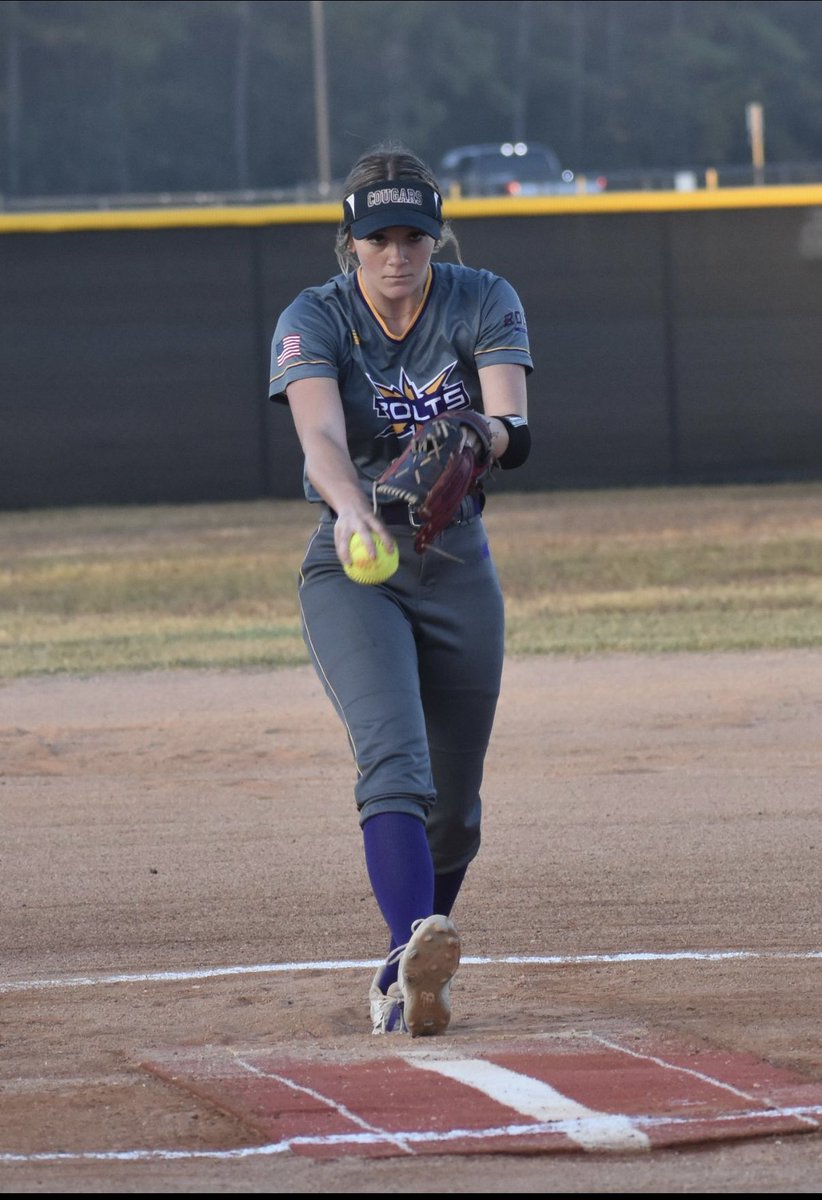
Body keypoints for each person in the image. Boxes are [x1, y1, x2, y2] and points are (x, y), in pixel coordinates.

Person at [269, 142, 533, 1037]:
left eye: (413, 236)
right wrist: (351, 510)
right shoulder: (315, 316)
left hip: (458, 562)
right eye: (378, 237)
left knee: (455, 811)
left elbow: (513, 419)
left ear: (435, 236)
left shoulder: (482, 297)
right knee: (396, 763)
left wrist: (482, 434)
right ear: (351, 240)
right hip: (353, 564)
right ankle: (404, 954)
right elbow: (319, 439)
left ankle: (415, 964)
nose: (396, 254)